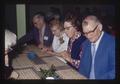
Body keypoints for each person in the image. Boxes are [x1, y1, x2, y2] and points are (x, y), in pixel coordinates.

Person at [79, 15, 115, 79]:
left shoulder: (112, 43)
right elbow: (82, 68)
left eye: (91, 32)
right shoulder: (85, 44)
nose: (88, 36)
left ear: (100, 27)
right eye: (85, 33)